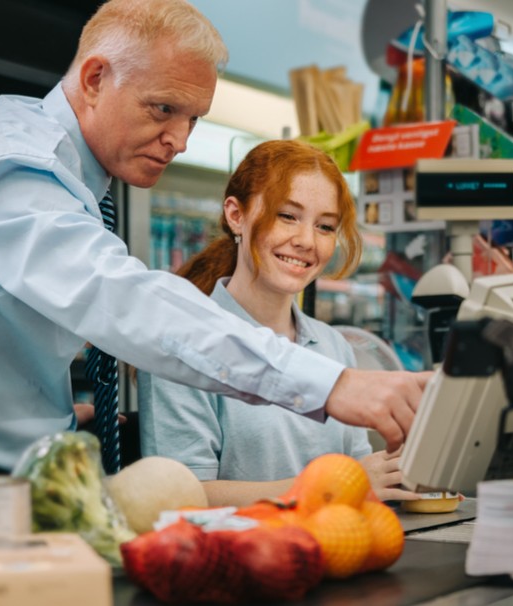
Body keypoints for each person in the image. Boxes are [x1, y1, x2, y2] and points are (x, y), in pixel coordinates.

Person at [0, 0, 429, 472]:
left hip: (13, 468)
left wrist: (51, 410)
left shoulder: (73, 176)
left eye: (194, 119)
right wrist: (330, 385)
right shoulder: (12, 167)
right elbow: (123, 301)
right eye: (164, 109)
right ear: (96, 79)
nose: (179, 141)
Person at [138, 140, 421, 506]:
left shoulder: (333, 346)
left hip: (336, 551)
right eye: (287, 216)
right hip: (234, 557)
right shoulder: (179, 344)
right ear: (235, 215)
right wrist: (331, 484)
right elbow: (180, 497)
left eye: (325, 226)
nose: (306, 241)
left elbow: (360, 476)